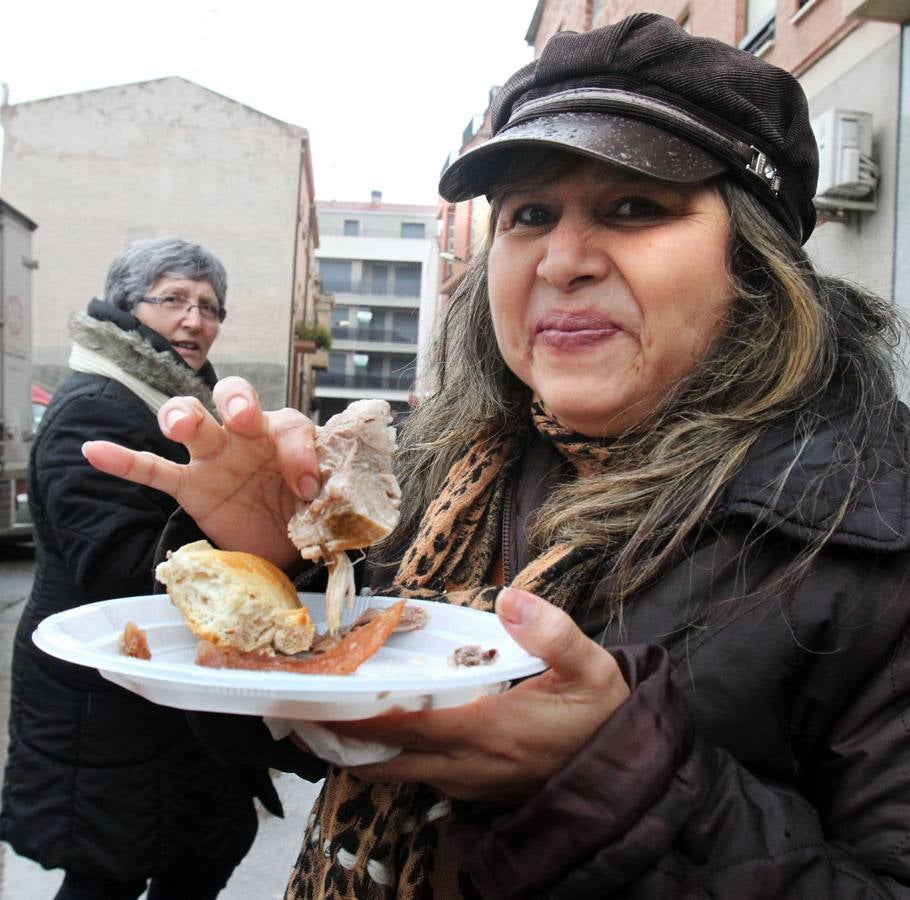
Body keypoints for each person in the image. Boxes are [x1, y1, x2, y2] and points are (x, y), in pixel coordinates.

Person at [84, 14, 910, 899]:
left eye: (635, 206)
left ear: (758, 258)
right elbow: (334, 739)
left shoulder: (867, 523)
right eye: (528, 214)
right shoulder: (444, 467)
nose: (561, 259)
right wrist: (281, 569)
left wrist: (609, 779)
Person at [0, 238, 272, 900]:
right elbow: (115, 564)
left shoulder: (174, 405)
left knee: (195, 852)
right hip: (100, 699)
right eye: (173, 299)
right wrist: (248, 549)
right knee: (106, 872)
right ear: (128, 308)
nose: (195, 320)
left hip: (156, 690)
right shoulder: (99, 407)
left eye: (210, 306)